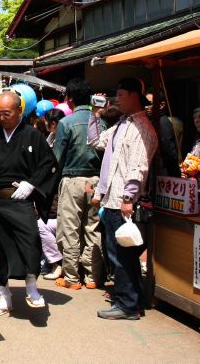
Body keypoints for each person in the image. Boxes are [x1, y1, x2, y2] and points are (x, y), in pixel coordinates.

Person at [0, 91, 59, 315]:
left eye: (7, 113)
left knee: (31, 242)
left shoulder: (32, 135)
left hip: (21, 200)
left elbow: (49, 163)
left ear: (20, 111)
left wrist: (32, 184)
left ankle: (32, 288)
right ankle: (4, 298)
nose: (2, 117)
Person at [88, 78, 158, 320]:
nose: (116, 99)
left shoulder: (142, 128)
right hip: (112, 199)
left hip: (124, 202)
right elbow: (96, 142)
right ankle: (126, 300)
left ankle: (128, 305)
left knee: (124, 255)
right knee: (117, 255)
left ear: (132, 95)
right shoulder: (122, 124)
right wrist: (95, 114)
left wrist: (128, 197)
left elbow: (139, 167)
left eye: (120, 94)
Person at [53, 78, 105, 290]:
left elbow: (58, 157)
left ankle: (72, 278)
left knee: (70, 229)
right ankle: (93, 277)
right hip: (95, 181)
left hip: (73, 180)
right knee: (93, 228)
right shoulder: (100, 122)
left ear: (70, 98)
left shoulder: (66, 123)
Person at [39, 108, 65, 280]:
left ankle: (56, 262)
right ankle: (50, 260)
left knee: (42, 226)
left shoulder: (61, 142)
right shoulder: (48, 140)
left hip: (57, 189)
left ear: (53, 124)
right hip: (47, 190)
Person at [145, 89, 181, 177]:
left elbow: (169, 151)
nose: (146, 107)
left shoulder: (162, 122)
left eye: (149, 103)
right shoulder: (151, 121)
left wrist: (176, 175)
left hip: (163, 175)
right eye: (144, 103)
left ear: (161, 105)